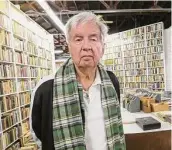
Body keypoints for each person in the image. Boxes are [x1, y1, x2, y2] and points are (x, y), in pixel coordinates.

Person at [30, 11, 126, 150]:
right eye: (78, 39)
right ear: (69, 46)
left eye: (93, 39)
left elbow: (117, 123)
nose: (86, 46)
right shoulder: (46, 88)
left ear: (103, 46)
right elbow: (38, 134)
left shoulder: (112, 81)